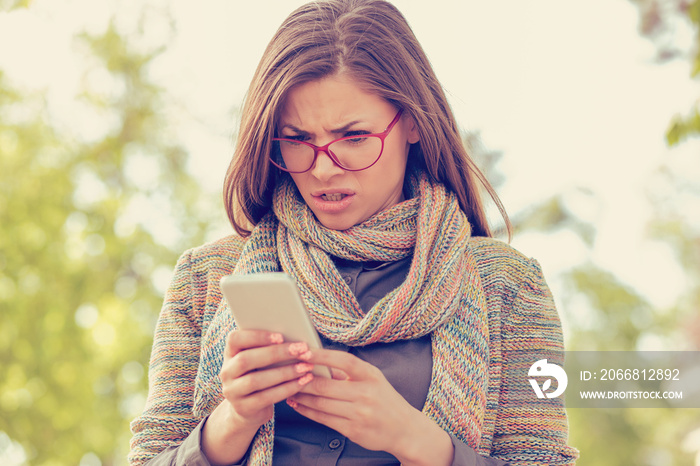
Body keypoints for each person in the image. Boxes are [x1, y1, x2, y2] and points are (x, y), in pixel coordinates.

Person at [129, 0, 579, 464]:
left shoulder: (508, 284)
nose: (323, 168)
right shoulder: (206, 278)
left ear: (413, 123)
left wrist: (414, 438)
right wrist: (233, 421)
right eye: (298, 140)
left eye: (354, 138)